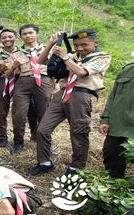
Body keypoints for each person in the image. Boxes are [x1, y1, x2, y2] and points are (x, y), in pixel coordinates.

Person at [29, 29, 111, 177]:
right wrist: (51, 44)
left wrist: (65, 57)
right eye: (77, 45)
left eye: (84, 45)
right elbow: (40, 62)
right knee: (42, 129)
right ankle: (44, 162)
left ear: (95, 43)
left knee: (78, 133)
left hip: (81, 95)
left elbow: (81, 72)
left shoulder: (102, 57)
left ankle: (76, 168)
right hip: (63, 92)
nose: (80, 48)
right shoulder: (74, 55)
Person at [5, 24, 53, 155]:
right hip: (23, 81)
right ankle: (18, 142)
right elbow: (8, 75)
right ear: (20, 37)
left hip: (43, 80)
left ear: (37, 34)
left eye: (30, 33)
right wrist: (14, 66)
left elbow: (56, 68)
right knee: (19, 114)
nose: (28, 36)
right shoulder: (16, 53)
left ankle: (46, 144)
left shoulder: (49, 49)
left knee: (45, 113)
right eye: (24, 34)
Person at [99, 62, 134, 179]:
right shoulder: (128, 69)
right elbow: (113, 95)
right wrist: (106, 118)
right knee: (111, 154)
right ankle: (115, 185)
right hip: (119, 124)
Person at [0, 29, 19, 147]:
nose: (7, 39)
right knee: (1, 111)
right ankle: (2, 137)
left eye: (10, 37)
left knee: (20, 111)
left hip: (19, 81)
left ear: (16, 37)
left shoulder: (23, 52)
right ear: (0, 40)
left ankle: (22, 137)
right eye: (4, 37)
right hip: (2, 81)